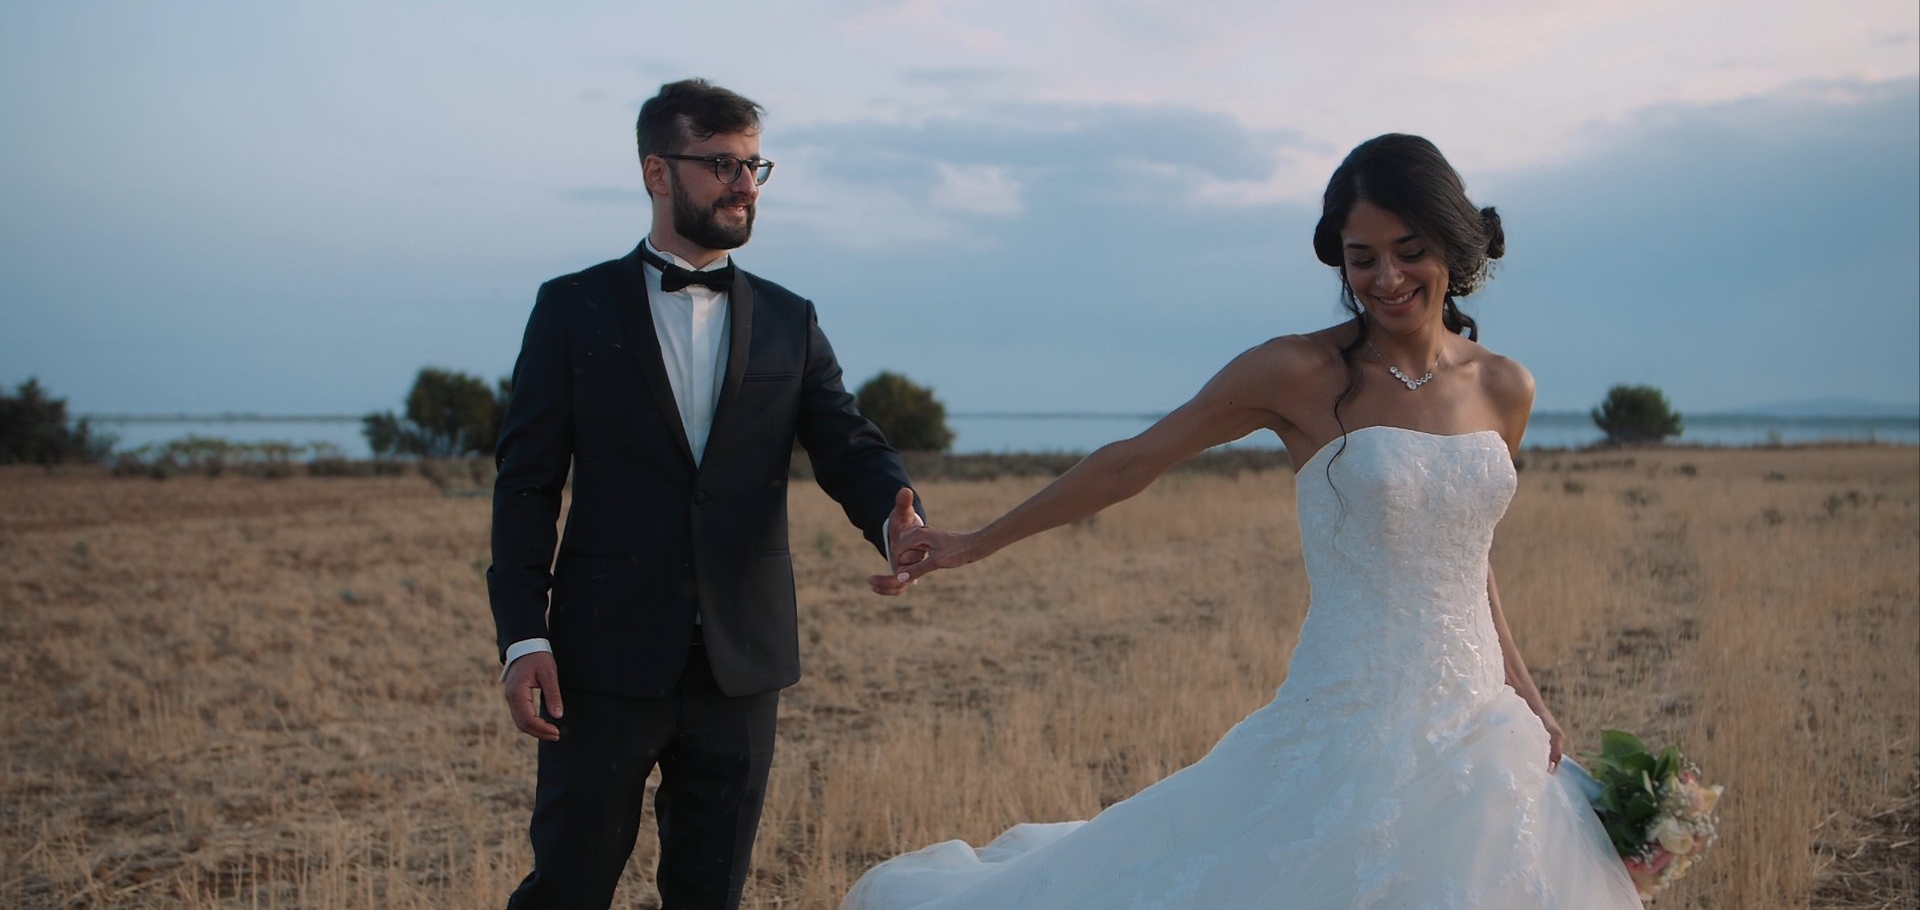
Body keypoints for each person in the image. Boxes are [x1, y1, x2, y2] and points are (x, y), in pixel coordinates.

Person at [849, 134, 1645, 908]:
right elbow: (1133, 460)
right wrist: (973, 542)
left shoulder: (1507, 387)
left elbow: (1466, 558)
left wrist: (1528, 694)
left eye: (1409, 250)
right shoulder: (1296, 371)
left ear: (1453, 245)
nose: (1386, 277)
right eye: (1360, 256)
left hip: (1481, 735)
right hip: (1347, 720)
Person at [488, 78, 925, 910]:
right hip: (601, 661)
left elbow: (846, 443)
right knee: (568, 889)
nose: (744, 184)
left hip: (742, 660)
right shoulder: (571, 308)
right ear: (657, 172)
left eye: (755, 165)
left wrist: (894, 517)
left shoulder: (790, 320)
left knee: (710, 894)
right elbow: (527, 485)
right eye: (721, 163)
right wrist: (521, 637)